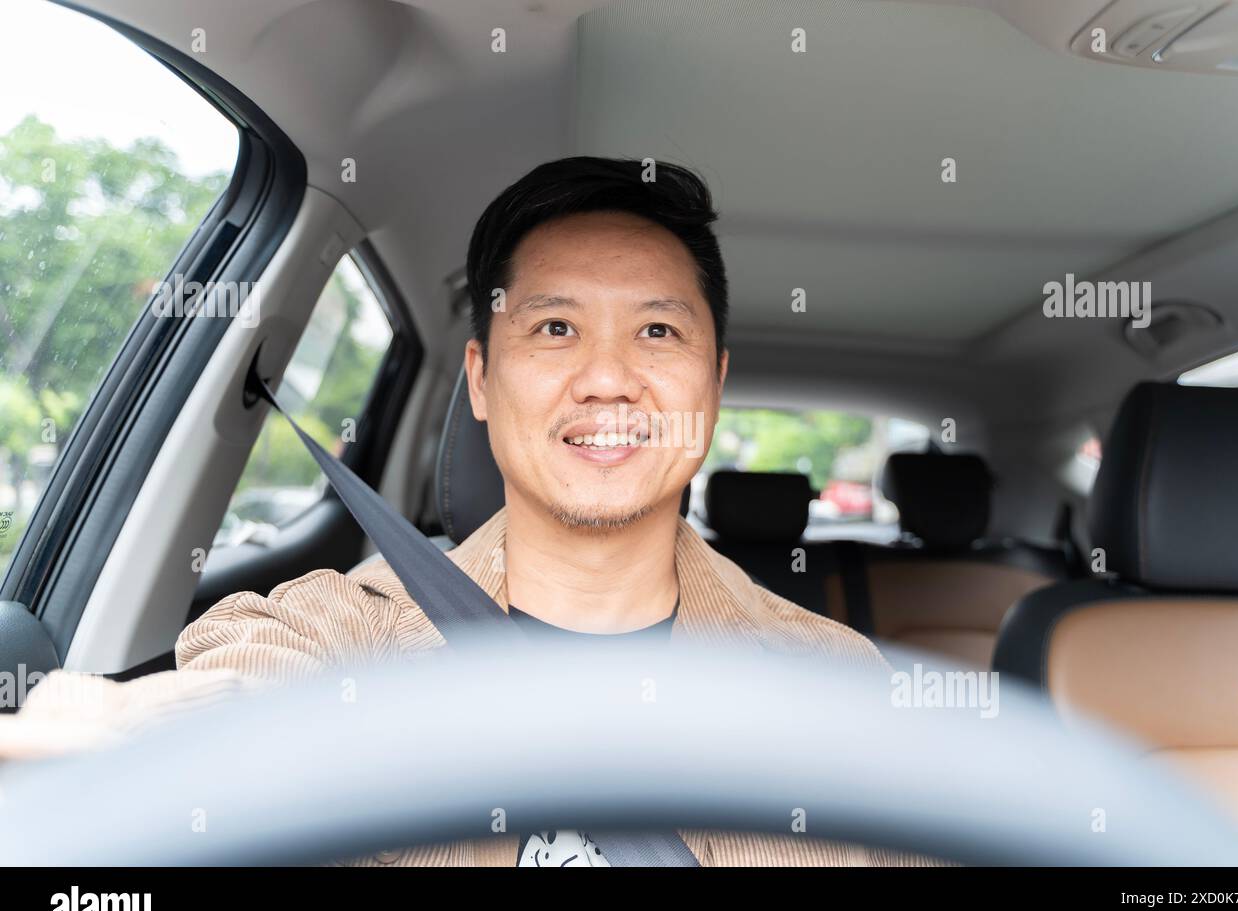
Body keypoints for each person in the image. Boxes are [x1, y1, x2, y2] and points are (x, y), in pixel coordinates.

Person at [3, 157, 927, 866]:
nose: (608, 380)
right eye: (555, 328)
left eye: (657, 330)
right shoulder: (332, 630)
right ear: (481, 380)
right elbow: (242, 707)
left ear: (713, 384)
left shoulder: (840, 685)